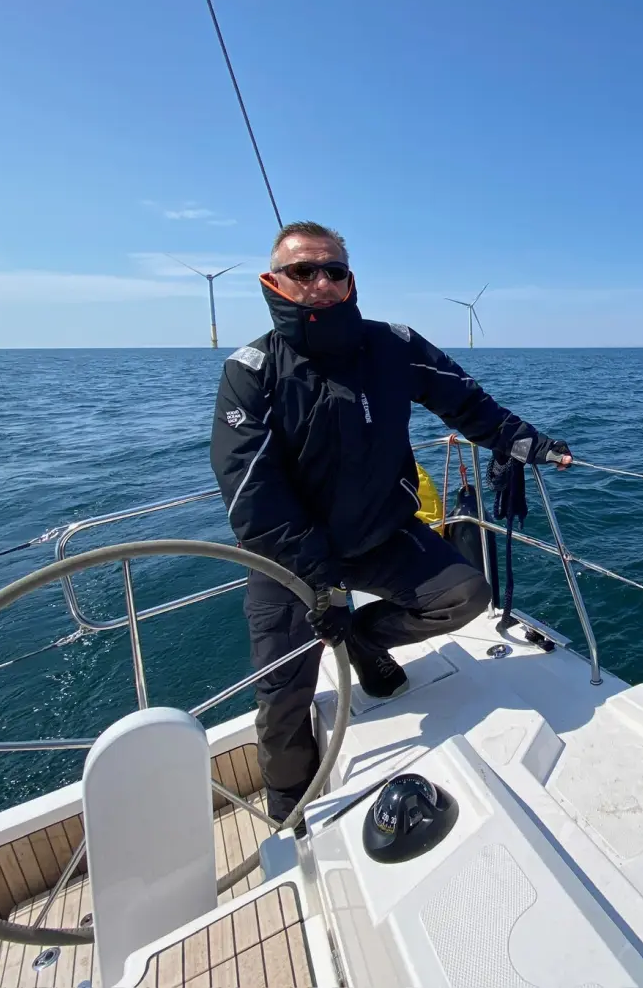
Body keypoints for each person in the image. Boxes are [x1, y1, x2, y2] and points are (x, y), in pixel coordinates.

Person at [209, 221, 571, 824]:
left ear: (351, 281)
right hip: (290, 559)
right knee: (283, 695)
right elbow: (250, 488)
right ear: (273, 281)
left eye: (334, 270)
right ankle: (289, 813)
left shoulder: (393, 346)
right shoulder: (251, 370)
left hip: (380, 531)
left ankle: (364, 638)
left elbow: (467, 403)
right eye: (303, 271)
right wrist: (317, 578)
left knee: (465, 595)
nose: (320, 282)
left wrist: (524, 441)